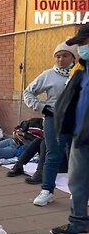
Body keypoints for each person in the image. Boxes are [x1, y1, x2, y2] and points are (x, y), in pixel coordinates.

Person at [24, 41, 77, 207]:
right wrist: (42, 107)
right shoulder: (48, 75)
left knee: (77, 156)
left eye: (65, 55)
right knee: (53, 154)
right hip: (54, 119)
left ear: (73, 57)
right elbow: (28, 92)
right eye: (58, 56)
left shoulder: (80, 74)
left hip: (77, 120)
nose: (61, 59)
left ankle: (78, 192)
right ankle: (47, 190)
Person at [50, 25, 89, 234]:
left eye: (84, 43)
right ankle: (78, 222)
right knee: (76, 180)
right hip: (80, 135)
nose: (81, 48)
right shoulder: (81, 69)